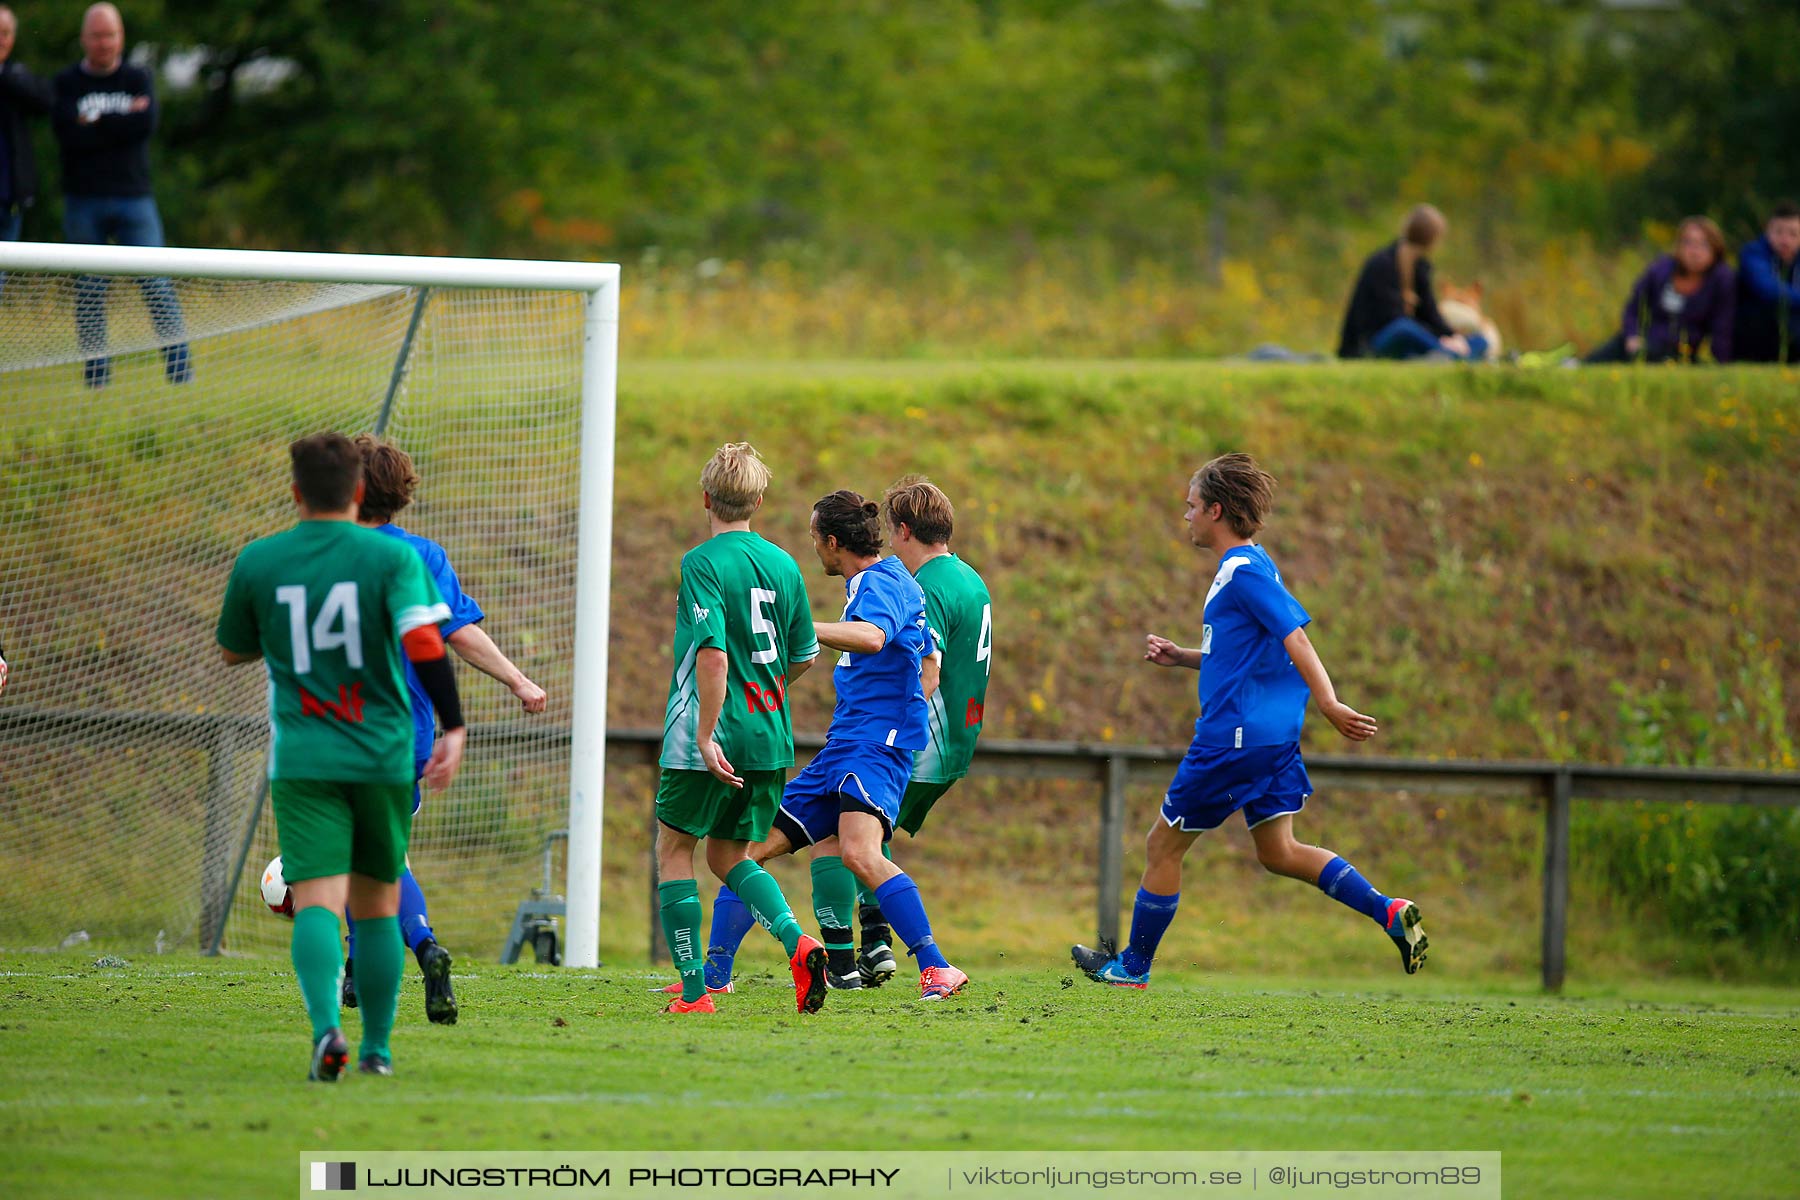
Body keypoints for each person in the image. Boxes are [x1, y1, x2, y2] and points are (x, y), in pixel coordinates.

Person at [1071, 453, 1424, 989]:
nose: (1185, 516)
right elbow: (1247, 653)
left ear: (1215, 510)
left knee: (1161, 846)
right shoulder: (1254, 564)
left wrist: (1329, 702)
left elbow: (1296, 637)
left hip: (1233, 739)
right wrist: (1185, 656)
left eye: (1191, 506)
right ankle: (1388, 911)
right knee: (1279, 852)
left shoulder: (1242, 572)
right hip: (1270, 739)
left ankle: (1132, 969)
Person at [216, 432, 467, 1081]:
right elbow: (427, 646)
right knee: (379, 901)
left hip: (304, 756)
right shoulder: (396, 561)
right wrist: (455, 726)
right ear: (358, 492)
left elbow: (233, 650)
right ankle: (377, 1051)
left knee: (320, 901)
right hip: (382, 753)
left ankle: (328, 1030)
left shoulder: (261, 561)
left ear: (296, 492)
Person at [698, 491, 968, 1002]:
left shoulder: (878, 581)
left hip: (871, 748)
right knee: (746, 853)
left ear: (832, 541)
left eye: (814, 537)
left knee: (860, 854)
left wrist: (802, 627)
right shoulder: (890, 583)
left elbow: (871, 638)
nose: (813, 547)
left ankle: (937, 967)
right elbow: (928, 663)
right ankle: (715, 977)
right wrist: (902, 706)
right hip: (845, 746)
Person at [336, 434, 548, 1026]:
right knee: (382, 854)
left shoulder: (327, 553)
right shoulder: (423, 556)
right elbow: (458, 633)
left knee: (361, 857)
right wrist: (518, 680)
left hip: (338, 729)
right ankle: (388, 955)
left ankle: (405, 952)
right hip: (408, 734)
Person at [651, 443, 827, 1015]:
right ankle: (798, 943)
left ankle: (695, 990)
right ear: (759, 499)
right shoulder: (784, 564)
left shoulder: (702, 563)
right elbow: (803, 654)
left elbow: (713, 655)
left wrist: (705, 735)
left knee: (675, 848)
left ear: (706, 497)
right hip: (770, 734)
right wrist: (766, 689)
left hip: (714, 731)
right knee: (729, 856)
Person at [851, 476, 992, 988]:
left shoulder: (926, 587)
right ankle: (875, 944)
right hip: (959, 740)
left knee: (849, 825)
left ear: (905, 531)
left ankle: (879, 948)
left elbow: (926, 665)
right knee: (864, 834)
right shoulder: (970, 578)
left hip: (925, 740)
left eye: (892, 534)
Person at [52, 3, 190, 387]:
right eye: (96, 35)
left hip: (134, 197)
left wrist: (95, 123)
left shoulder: (138, 76)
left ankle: (181, 373)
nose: (103, 42)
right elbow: (67, 133)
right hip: (84, 200)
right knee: (90, 291)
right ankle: (97, 379)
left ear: (121, 38)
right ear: (84, 39)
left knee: (157, 284)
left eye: (110, 34)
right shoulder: (66, 82)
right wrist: (120, 120)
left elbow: (144, 125)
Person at [1337, 204, 1485, 362]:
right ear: (1434, 239)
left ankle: (1442, 355)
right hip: (1370, 344)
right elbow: (1391, 318)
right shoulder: (1381, 264)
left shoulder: (1421, 268)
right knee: (1404, 328)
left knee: (1481, 340)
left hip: (1412, 341)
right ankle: (1449, 355)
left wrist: (1452, 336)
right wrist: (1439, 339)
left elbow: (1429, 312)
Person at [1584, 217, 1735, 364]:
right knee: (1620, 344)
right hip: (1645, 342)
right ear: (1679, 246)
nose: (1695, 252)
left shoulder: (1721, 280)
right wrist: (1632, 335)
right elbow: (1633, 309)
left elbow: (1723, 329)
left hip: (1682, 352)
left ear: (1716, 248)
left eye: (1703, 244)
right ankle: (1578, 366)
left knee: (1653, 354)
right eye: (1689, 243)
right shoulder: (1661, 270)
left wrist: (1721, 362)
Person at [0, 5, 53, 241]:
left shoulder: (16, 75)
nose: (0, 40)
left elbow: (46, 101)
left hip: (9, 198)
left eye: (5, 33)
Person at [1732, 201, 1800, 364]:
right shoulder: (1752, 253)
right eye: (1779, 232)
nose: (1785, 240)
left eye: (1793, 233)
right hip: (1757, 334)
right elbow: (1768, 290)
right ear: (1767, 231)